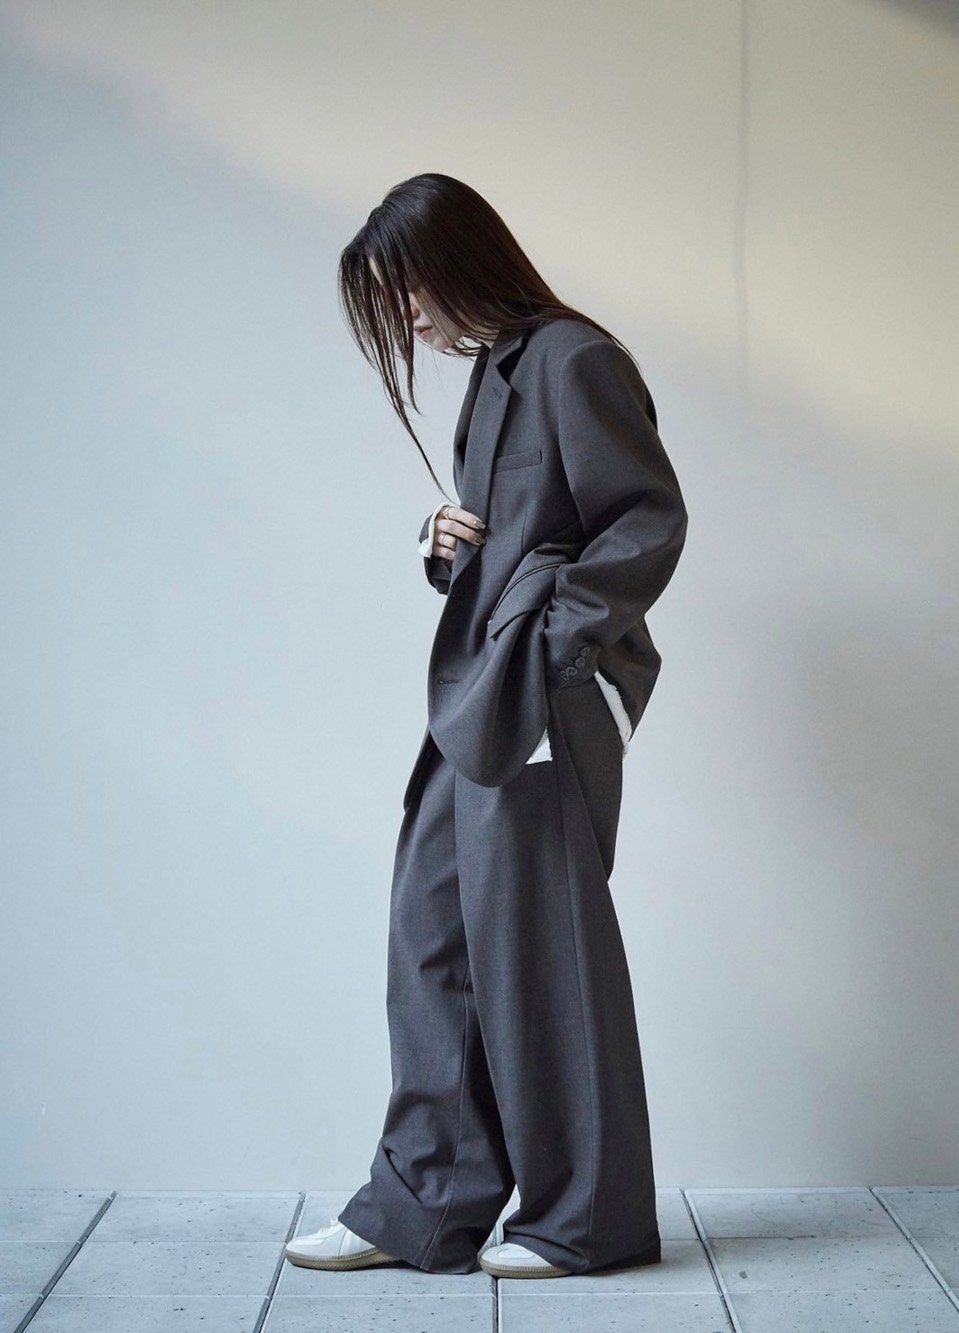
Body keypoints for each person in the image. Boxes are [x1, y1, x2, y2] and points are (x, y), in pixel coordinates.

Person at [284, 173, 688, 1279]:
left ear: (458, 262)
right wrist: (448, 545)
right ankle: (421, 1208)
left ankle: (585, 1220)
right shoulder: (502, 372)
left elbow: (644, 518)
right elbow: (524, 532)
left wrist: (554, 646)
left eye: (407, 292)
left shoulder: (573, 358)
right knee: (434, 940)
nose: (408, 319)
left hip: (537, 698)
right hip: (482, 694)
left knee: (541, 952)